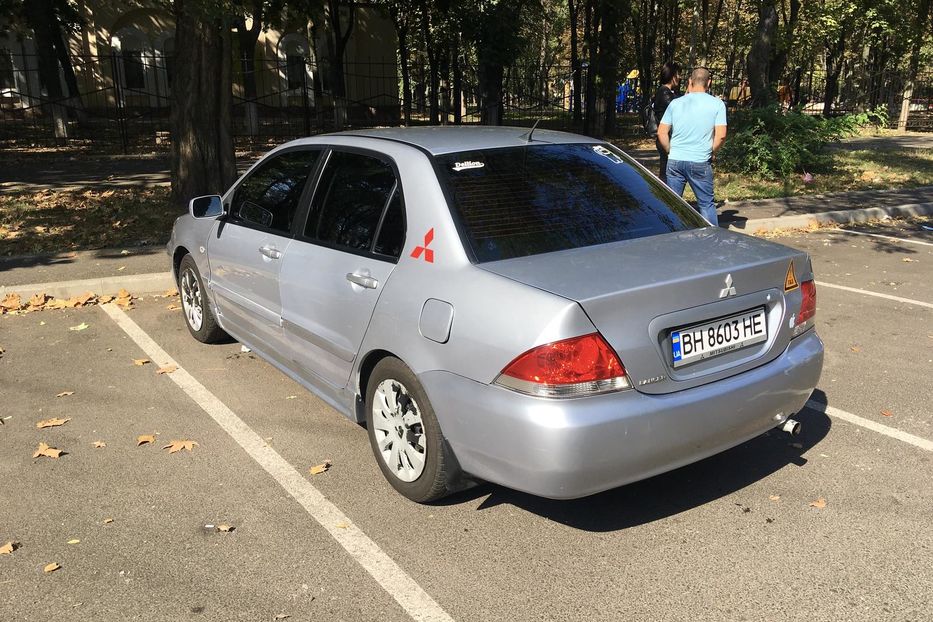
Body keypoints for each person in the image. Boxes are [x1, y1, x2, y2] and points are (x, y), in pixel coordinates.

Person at [657, 67, 728, 226]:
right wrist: (712, 151)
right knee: (706, 204)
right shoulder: (717, 104)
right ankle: (710, 241)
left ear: (690, 81)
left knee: (673, 204)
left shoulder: (676, 103)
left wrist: (670, 150)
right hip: (700, 161)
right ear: (709, 83)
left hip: (675, 160)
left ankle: (670, 236)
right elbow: (721, 135)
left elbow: (662, 132)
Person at [653, 62, 680, 183]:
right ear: (672, 76)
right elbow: (678, 109)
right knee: (667, 174)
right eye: (678, 74)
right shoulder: (665, 93)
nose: (680, 77)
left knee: (667, 171)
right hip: (665, 137)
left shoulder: (667, 92)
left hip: (667, 136)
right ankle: (664, 197)